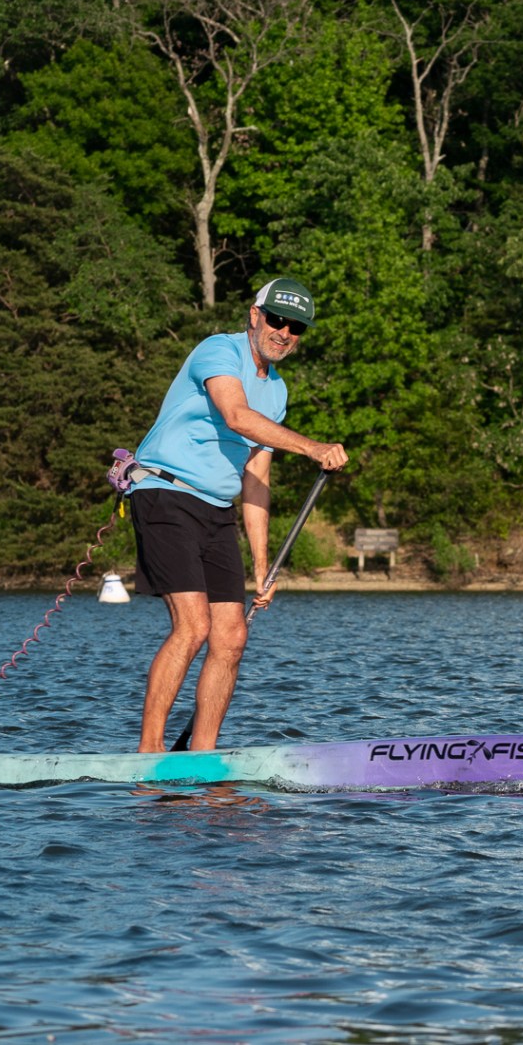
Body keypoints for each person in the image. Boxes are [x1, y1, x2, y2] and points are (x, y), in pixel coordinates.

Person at [128, 278, 347, 752]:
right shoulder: (218, 351)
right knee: (194, 626)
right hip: (166, 494)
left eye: (296, 327)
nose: (285, 332)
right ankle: (149, 754)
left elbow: (255, 480)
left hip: (216, 509)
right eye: (277, 320)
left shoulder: (278, 392)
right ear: (254, 315)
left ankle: (202, 756)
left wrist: (262, 567)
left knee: (231, 636)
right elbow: (235, 416)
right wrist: (311, 447)